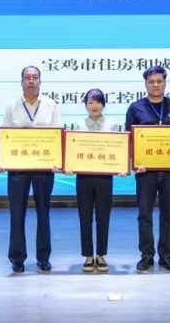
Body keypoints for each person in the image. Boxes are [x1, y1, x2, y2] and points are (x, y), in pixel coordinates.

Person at [0, 65, 62, 274]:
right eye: (27, 77)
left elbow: (58, 136)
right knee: (17, 213)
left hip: (44, 167)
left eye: (35, 77)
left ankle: (43, 257)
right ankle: (17, 258)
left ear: (40, 81)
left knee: (44, 212)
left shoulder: (51, 105)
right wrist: (0, 160)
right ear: (22, 82)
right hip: (18, 167)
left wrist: (59, 161)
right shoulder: (12, 106)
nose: (31, 81)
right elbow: (5, 136)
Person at [125, 66, 170, 272]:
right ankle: (147, 255)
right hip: (145, 172)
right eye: (151, 82)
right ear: (146, 84)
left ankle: (166, 255)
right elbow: (128, 140)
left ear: (165, 83)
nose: (156, 85)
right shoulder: (136, 108)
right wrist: (134, 163)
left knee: (168, 215)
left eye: (159, 81)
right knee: (145, 214)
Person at [65, 89, 128, 273]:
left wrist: (122, 167)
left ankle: (100, 255)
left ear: (103, 104)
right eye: (90, 102)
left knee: (103, 217)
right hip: (83, 178)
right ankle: (88, 255)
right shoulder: (78, 125)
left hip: (105, 178)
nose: (94, 106)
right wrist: (68, 165)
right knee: (85, 218)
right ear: (86, 104)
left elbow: (120, 150)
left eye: (98, 102)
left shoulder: (112, 125)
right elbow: (71, 150)